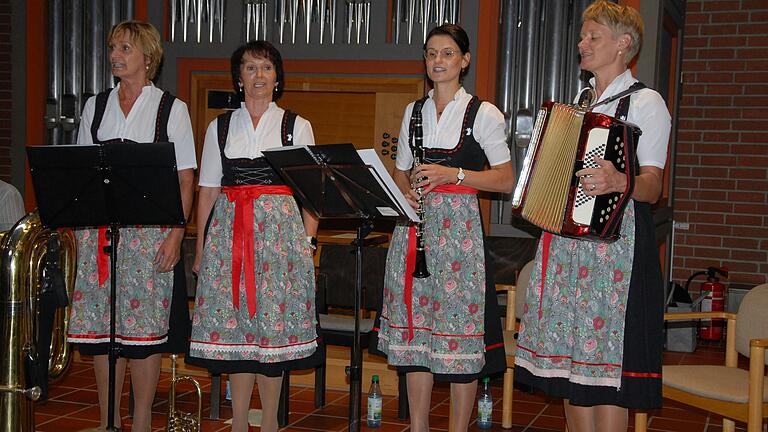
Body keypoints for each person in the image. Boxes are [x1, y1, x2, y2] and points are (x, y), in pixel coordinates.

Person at [514, 2, 671, 431]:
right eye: (582, 36)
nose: (581, 44)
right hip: (567, 249)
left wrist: (622, 181)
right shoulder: (581, 102)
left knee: (606, 376)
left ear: (624, 44)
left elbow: (654, 185)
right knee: (572, 372)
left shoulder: (645, 102)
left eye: (592, 36)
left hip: (613, 253)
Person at [372, 24, 514, 432]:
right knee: (417, 336)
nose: (438, 61)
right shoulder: (413, 112)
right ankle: (418, 426)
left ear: (464, 60)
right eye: (431, 53)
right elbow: (400, 172)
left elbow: (505, 179)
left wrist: (454, 174)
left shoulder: (483, 113)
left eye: (447, 53)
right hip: (414, 232)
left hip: (460, 238)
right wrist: (407, 195)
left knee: (459, 337)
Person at [66, 21, 196, 431]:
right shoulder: (95, 106)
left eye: (124, 48)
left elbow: (186, 178)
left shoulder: (171, 109)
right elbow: (81, 169)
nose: (115, 55)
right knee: (103, 334)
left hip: (150, 235)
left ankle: (140, 421)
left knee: (144, 335)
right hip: (101, 235)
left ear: (147, 56)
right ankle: (110, 421)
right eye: (112, 48)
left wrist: (178, 233)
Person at [187, 40, 322, 432]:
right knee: (237, 336)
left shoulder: (296, 125)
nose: (258, 75)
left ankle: (270, 424)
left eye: (266, 68)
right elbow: (209, 188)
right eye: (249, 67)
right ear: (239, 77)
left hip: (279, 241)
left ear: (277, 77)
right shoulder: (220, 126)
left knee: (271, 335)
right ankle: (241, 422)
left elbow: (312, 194)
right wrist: (201, 249)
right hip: (229, 238)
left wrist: (307, 242)